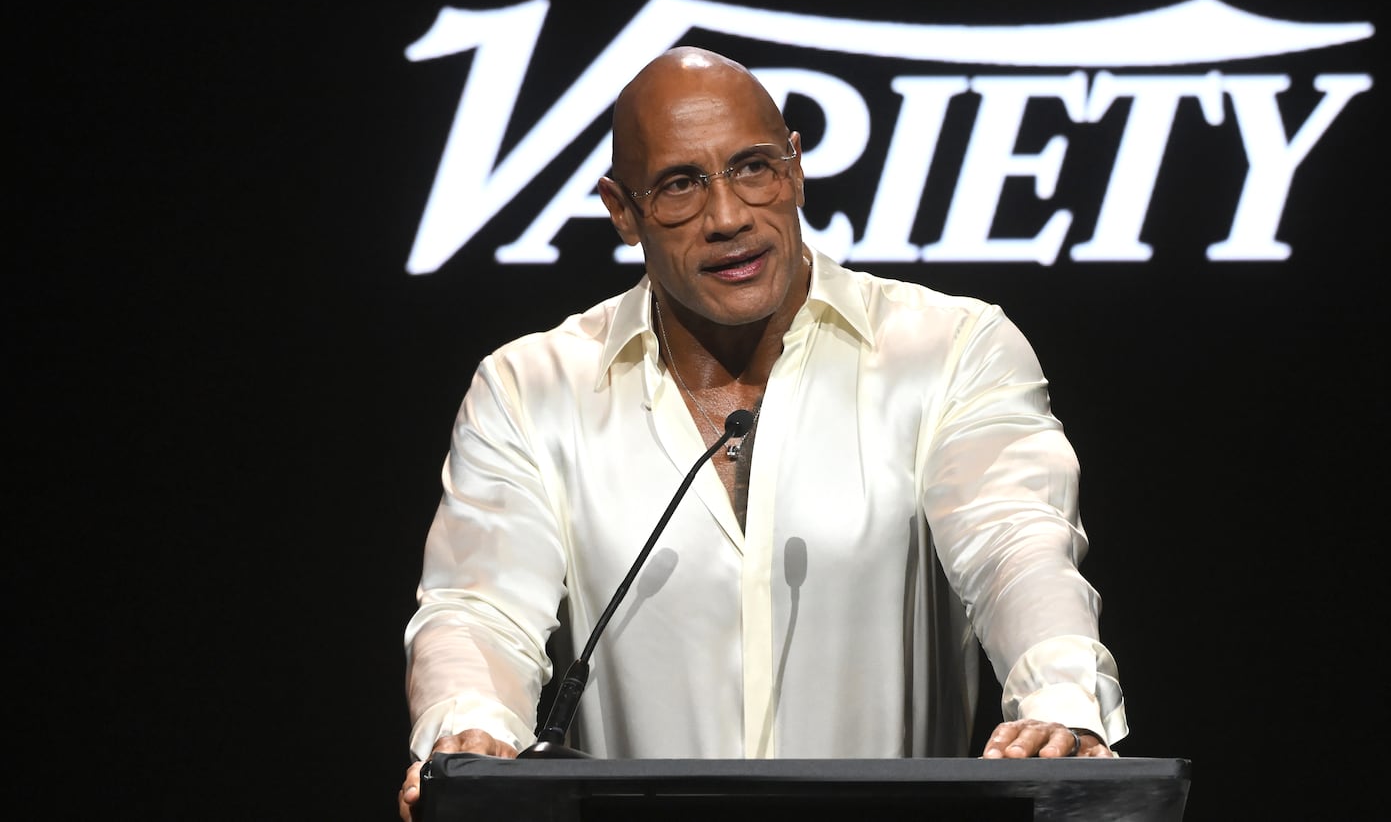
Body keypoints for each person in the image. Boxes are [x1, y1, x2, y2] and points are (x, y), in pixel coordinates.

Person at [397, 45, 1128, 819]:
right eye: (680, 185)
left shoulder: (950, 349)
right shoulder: (531, 389)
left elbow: (1015, 544)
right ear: (621, 209)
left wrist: (1059, 701)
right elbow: (480, 610)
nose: (728, 217)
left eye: (753, 168)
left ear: (797, 170)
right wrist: (470, 734)